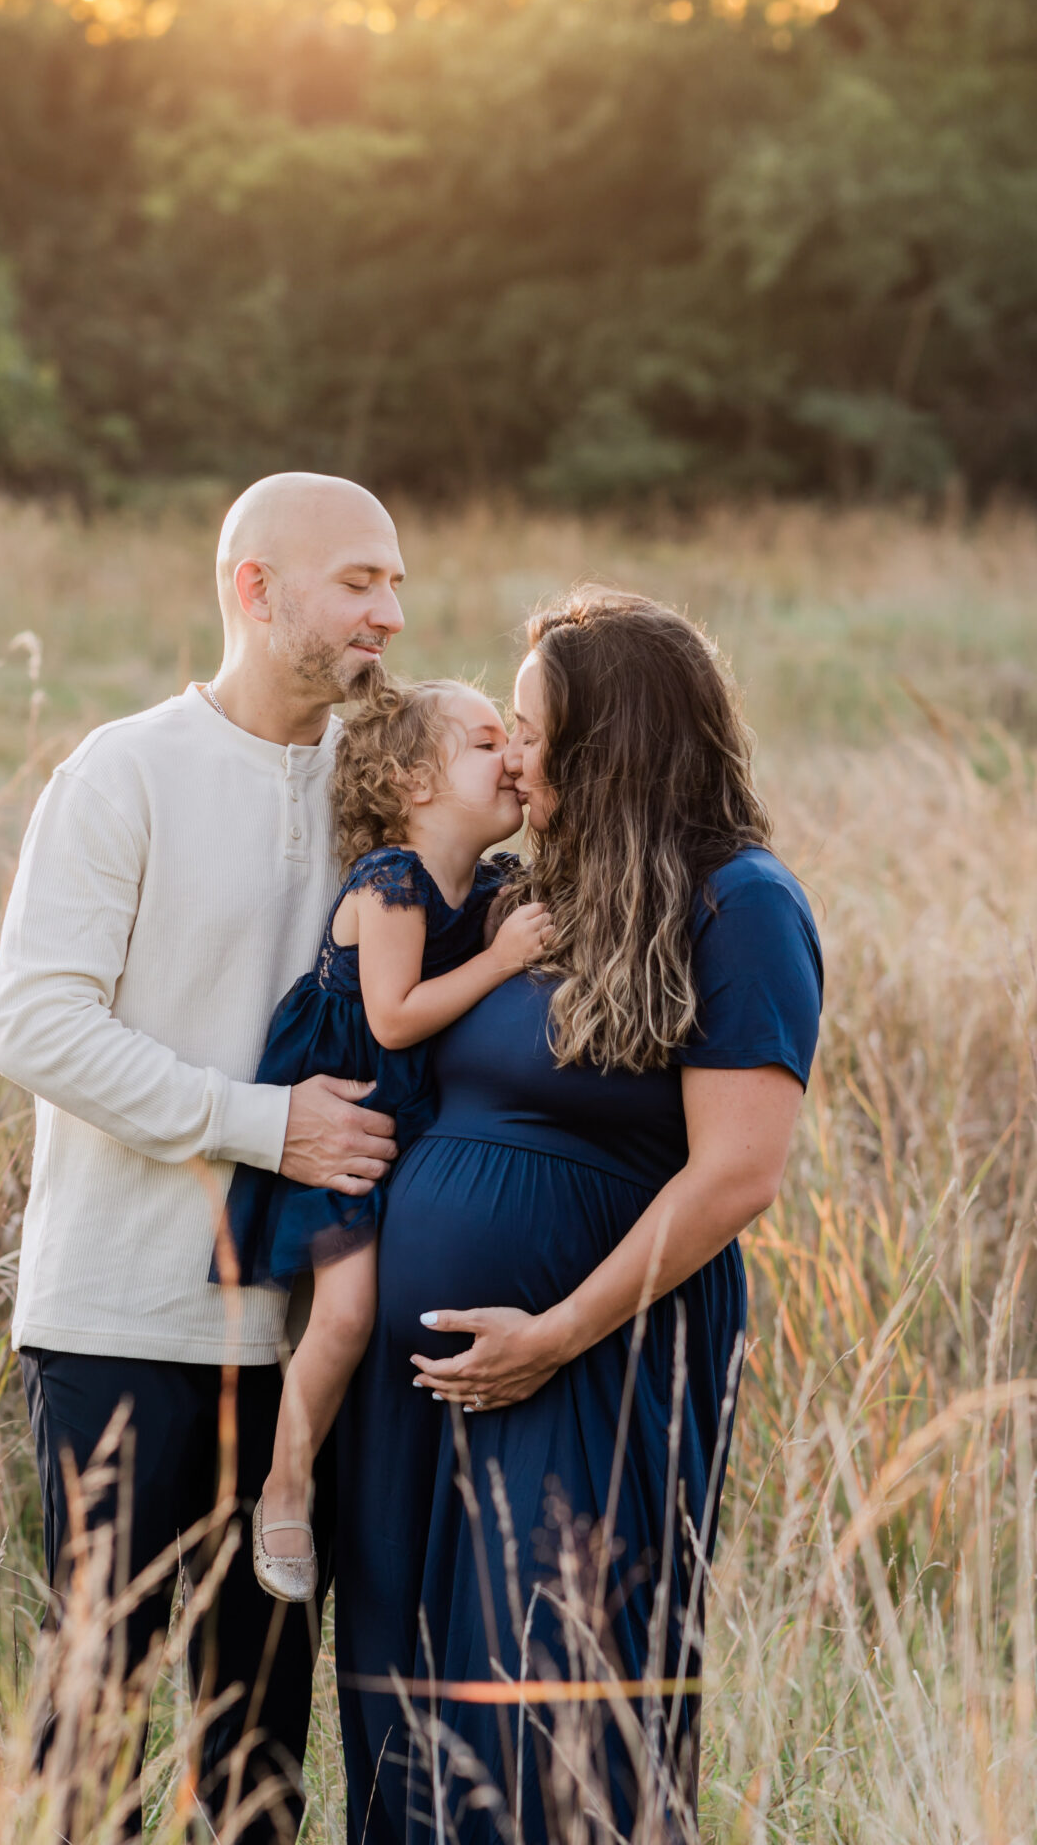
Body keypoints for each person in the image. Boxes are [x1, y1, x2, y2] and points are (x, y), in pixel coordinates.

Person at [335, 589, 825, 1845]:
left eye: (534, 731)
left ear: (612, 743)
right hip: (414, 1384)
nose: (513, 755)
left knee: (552, 1707)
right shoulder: (520, 900)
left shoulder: (740, 903)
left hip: (588, 1362)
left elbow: (735, 1174)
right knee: (405, 1702)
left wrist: (553, 1333)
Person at [0, 472, 410, 1843]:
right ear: (255, 587)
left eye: (396, 586)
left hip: (300, 1349)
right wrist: (262, 1121)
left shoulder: (379, 796)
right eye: (358, 582)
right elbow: (37, 1024)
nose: (388, 615)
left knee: (259, 1749)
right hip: (121, 1325)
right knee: (91, 1735)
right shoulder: (127, 769)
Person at [213, 678, 556, 1605]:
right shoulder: (393, 881)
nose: (514, 758)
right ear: (413, 781)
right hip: (349, 1110)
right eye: (489, 743)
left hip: (409, 1118)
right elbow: (397, 1020)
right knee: (349, 1311)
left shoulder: (482, 884)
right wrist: (502, 959)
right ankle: (284, 1490)